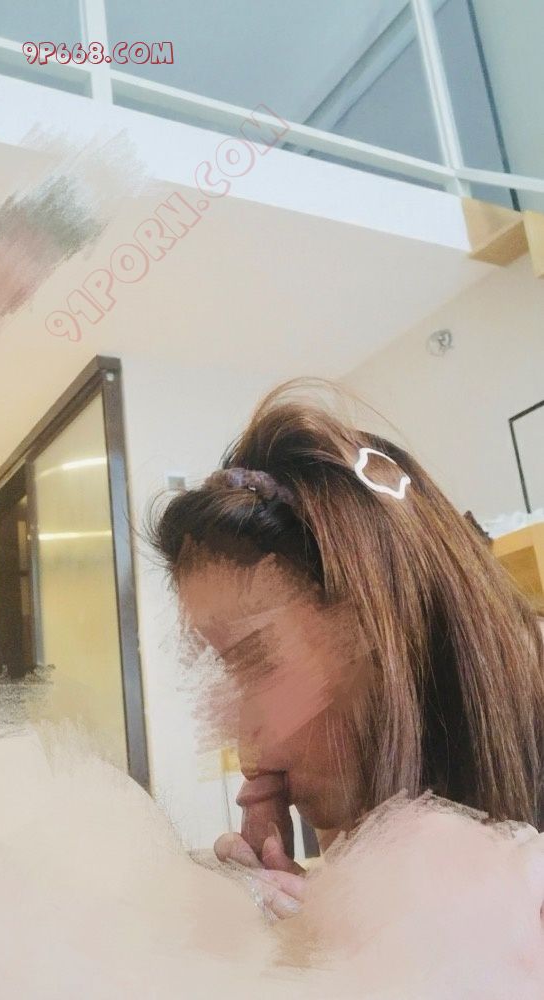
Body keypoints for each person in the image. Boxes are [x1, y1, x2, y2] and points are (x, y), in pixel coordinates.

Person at [151, 379, 544, 918]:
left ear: (381, 629)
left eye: (257, 662)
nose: (247, 747)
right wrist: (322, 935)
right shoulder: (370, 785)